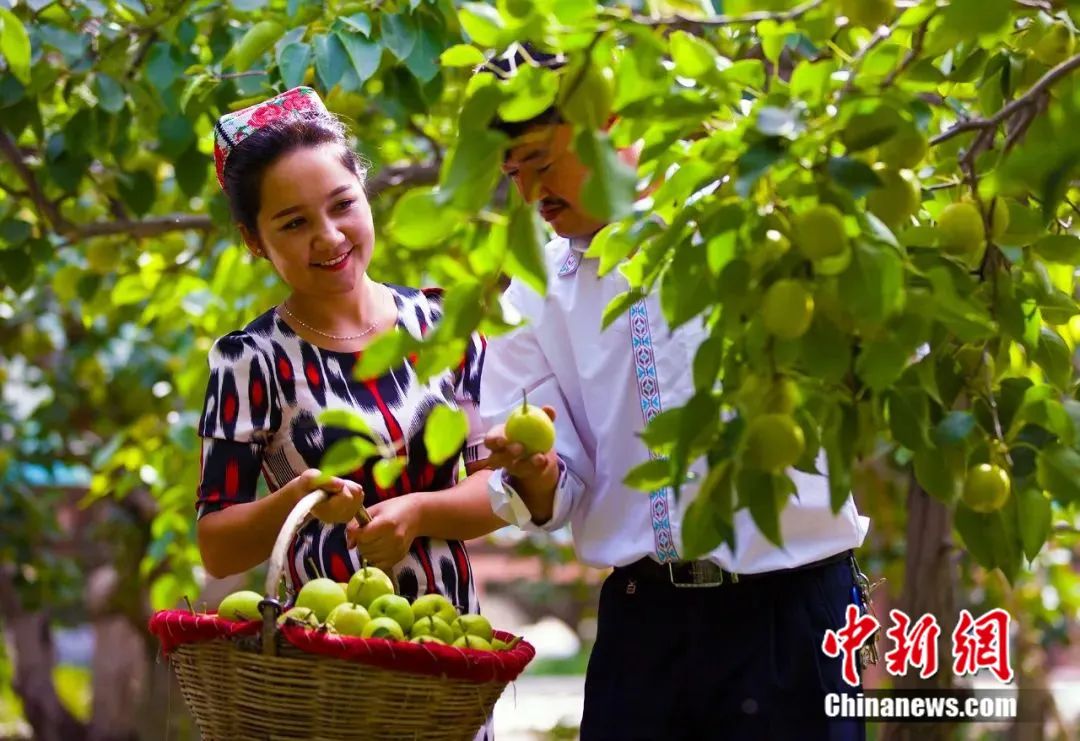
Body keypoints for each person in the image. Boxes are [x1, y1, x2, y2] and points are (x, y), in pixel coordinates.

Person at [478, 48, 871, 740]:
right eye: (513, 172)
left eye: (541, 159)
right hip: (645, 624)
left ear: (612, 120)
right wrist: (535, 472)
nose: (530, 189)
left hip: (793, 606)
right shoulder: (532, 289)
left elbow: (875, 348)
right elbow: (557, 482)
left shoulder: (748, 217)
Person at [195, 88, 505, 665]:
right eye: (293, 223)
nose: (330, 236)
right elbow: (217, 545)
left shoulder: (444, 326)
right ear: (254, 242)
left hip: (450, 653)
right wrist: (298, 499)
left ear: (366, 194)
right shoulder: (249, 360)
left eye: (343, 205)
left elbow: (498, 488)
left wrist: (419, 512)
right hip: (321, 662)